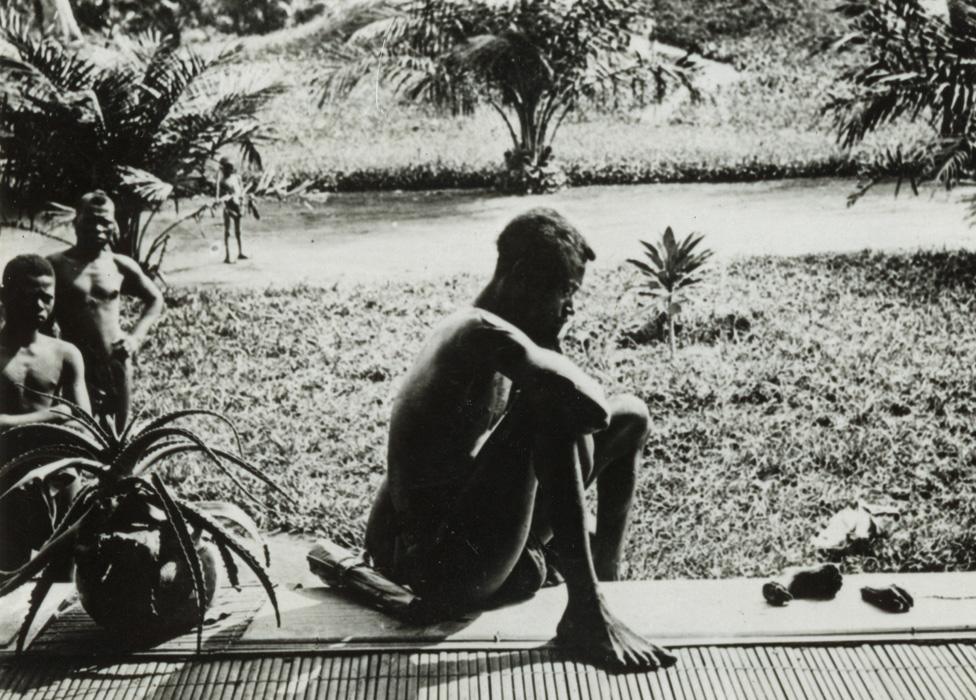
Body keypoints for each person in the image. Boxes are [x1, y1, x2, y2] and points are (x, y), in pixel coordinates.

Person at [364, 208, 676, 672]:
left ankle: (604, 584)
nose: (570, 309)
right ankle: (586, 610)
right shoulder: (475, 333)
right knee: (548, 402)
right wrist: (551, 355)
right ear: (520, 277)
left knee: (631, 416)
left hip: (476, 541)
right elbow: (581, 405)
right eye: (565, 293)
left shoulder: (514, 340)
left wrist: (549, 349)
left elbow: (595, 421)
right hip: (433, 564)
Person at [0, 254, 91, 573]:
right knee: (8, 573)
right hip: (7, 476)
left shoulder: (65, 354)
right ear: (4, 296)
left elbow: (82, 422)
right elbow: (64, 415)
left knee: (64, 572)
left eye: (46, 298)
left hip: (58, 473)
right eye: (29, 296)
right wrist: (50, 417)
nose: (39, 305)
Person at [47, 190, 164, 433]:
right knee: (78, 431)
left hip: (115, 361)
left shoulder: (119, 265)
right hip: (75, 363)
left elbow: (155, 299)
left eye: (105, 222)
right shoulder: (56, 265)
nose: (98, 228)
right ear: (76, 221)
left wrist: (134, 338)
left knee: (119, 436)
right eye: (90, 220)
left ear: (114, 225)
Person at [216, 156, 248, 264]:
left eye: (231, 167)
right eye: (227, 167)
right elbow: (221, 197)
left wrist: (242, 203)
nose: (229, 169)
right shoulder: (222, 182)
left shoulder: (236, 178)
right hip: (228, 208)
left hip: (237, 205)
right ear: (224, 168)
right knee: (228, 232)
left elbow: (241, 190)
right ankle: (227, 256)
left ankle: (240, 252)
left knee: (239, 231)